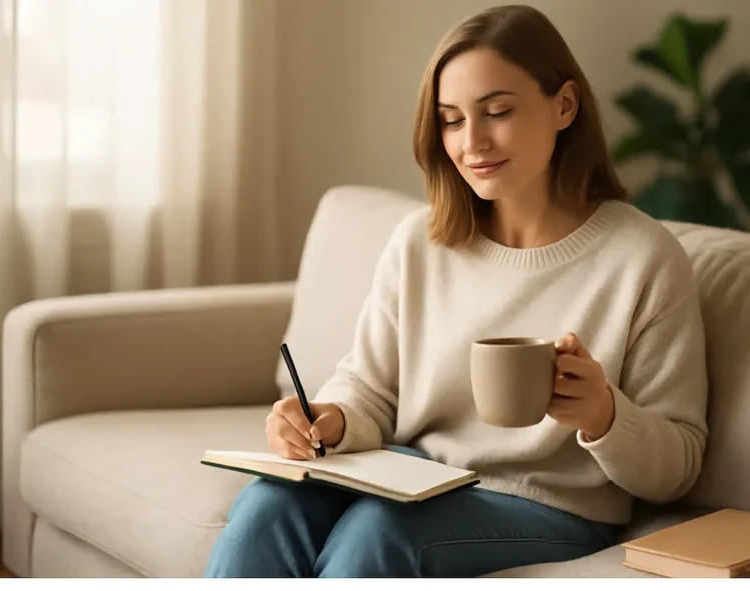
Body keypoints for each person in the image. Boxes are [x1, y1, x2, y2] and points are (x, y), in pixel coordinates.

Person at [205, 4, 709, 578]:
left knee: (382, 533)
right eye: (451, 120)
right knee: (268, 504)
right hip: (415, 477)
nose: (473, 142)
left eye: (497, 111)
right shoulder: (420, 242)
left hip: (551, 508)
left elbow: (680, 464)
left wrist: (605, 415)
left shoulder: (642, 258)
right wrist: (329, 420)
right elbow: (369, 388)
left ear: (564, 105)